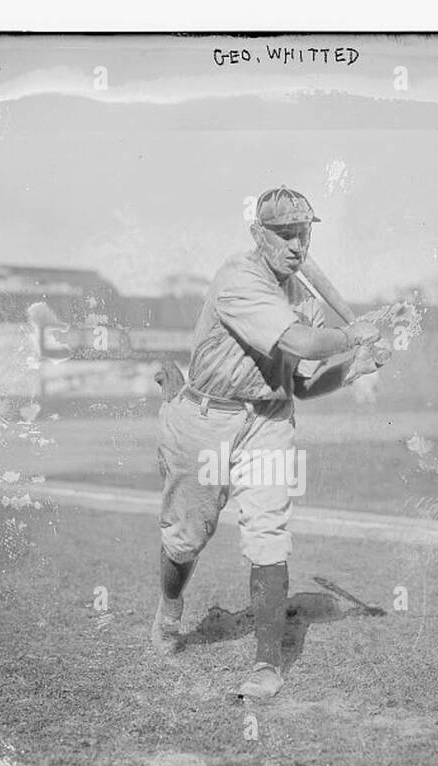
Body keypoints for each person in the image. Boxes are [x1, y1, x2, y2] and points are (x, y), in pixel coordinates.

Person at [150, 185, 385, 700]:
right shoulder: (240, 279)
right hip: (207, 419)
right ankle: (170, 609)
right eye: (283, 233)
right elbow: (297, 342)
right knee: (186, 538)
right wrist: (354, 336)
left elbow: (300, 382)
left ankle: (266, 665)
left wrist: (352, 367)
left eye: (302, 233)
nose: (296, 244)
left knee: (268, 533)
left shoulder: (306, 300)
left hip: (268, 421)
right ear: (259, 234)